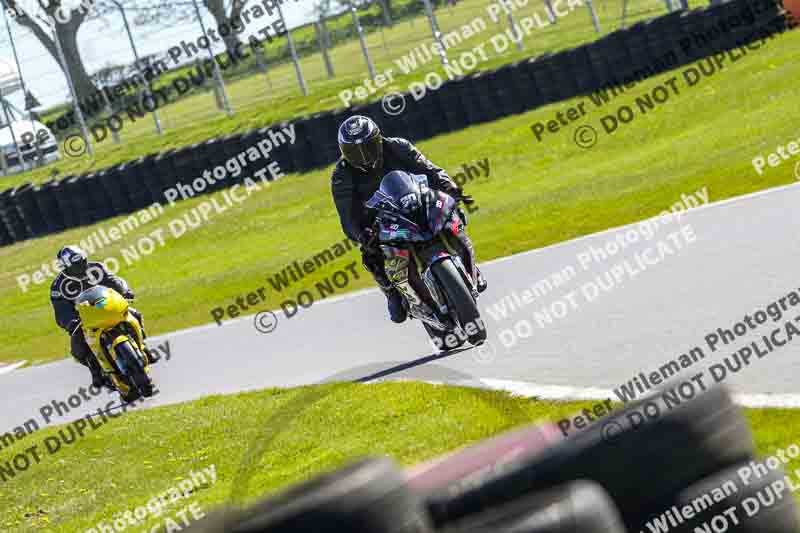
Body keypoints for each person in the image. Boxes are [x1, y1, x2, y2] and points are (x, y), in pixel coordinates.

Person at [331, 115, 486, 323]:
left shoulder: (397, 146)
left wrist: (451, 188)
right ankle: (392, 294)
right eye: (354, 152)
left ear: (378, 139)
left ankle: (469, 264)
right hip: (380, 220)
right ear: (344, 153)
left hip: (415, 200)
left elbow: (430, 170)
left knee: (452, 213)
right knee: (371, 255)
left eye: (367, 146)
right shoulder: (342, 175)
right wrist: (361, 234)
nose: (363, 156)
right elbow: (347, 216)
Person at [49, 245, 155, 388]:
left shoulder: (96, 268)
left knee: (135, 314)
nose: (81, 266)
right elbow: (61, 310)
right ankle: (96, 370)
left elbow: (113, 280)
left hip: (108, 307)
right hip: (85, 319)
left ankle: (143, 346)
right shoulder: (58, 286)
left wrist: (125, 292)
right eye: (76, 265)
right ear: (67, 267)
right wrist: (70, 322)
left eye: (82, 262)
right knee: (77, 345)